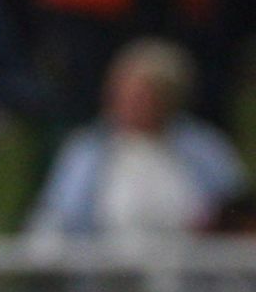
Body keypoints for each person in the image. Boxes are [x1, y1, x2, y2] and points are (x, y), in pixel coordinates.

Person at [27, 38, 245, 243]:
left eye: (140, 97)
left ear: (168, 99)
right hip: (105, 276)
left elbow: (238, 215)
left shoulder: (204, 148)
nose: (127, 105)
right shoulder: (87, 150)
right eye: (122, 94)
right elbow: (57, 219)